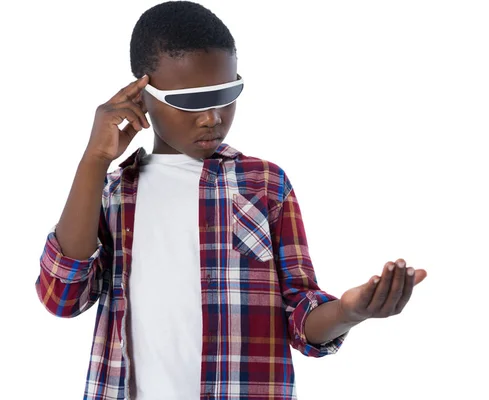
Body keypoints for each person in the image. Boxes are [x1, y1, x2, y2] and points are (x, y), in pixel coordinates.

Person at [34, 2, 428, 399]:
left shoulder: (264, 185)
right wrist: (95, 161)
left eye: (225, 94)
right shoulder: (112, 193)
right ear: (142, 94)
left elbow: (300, 316)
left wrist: (349, 312)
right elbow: (62, 297)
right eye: (190, 101)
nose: (212, 117)